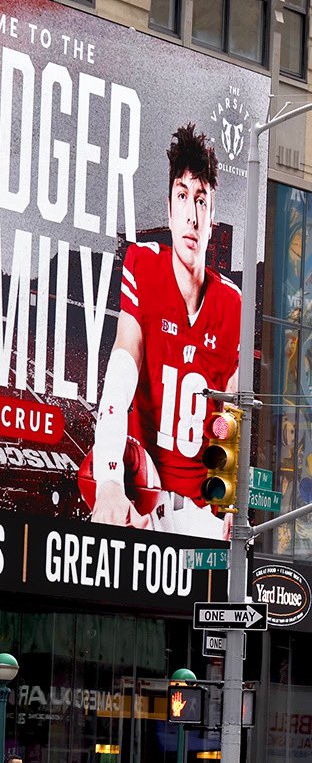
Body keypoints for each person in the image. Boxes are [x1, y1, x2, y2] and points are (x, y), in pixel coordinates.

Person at [90, 123, 239, 537]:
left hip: (197, 514)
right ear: (169, 208)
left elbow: (231, 415)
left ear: (213, 217)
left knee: (218, 597)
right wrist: (109, 481)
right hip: (145, 497)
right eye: (182, 196)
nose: (191, 214)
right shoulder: (143, 264)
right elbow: (121, 372)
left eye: (201, 200)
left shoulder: (231, 303)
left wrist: (226, 502)